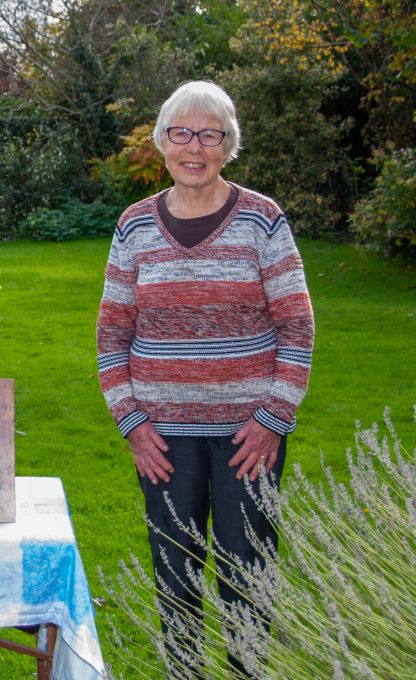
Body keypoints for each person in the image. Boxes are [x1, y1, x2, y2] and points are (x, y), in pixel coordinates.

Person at [95, 80, 314, 676]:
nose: (195, 146)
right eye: (181, 133)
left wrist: (272, 421)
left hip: (250, 437)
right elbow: (111, 338)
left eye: (210, 134)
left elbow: (297, 328)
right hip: (163, 440)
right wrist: (133, 424)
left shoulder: (263, 220)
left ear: (228, 144)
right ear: (163, 143)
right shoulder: (134, 226)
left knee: (248, 575)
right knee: (176, 576)